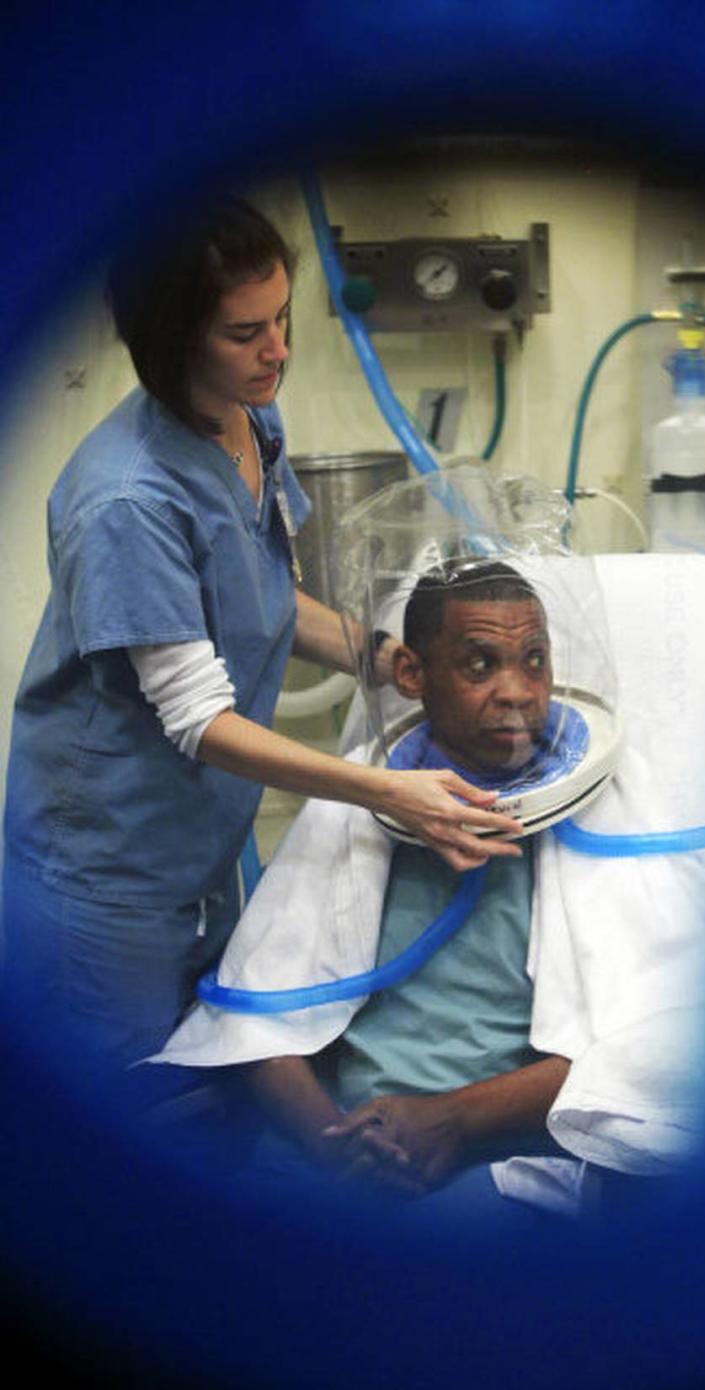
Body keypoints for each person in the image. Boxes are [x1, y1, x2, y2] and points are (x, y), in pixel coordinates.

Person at [1, 197, 520, 1083]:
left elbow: (266, 591)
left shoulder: (248, 423)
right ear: (172, 340)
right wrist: (383, 791)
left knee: (206, 1078)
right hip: (106, 875)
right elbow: (199, 718)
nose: (278, 350)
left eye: (281, 318)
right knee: (126, 1115)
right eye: (246, 333)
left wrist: (381, 653)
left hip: (197, 852)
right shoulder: (127, 501)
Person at [159, 559, 573, 1205]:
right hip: (342, 1143)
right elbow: (255, 1016)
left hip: (494, 1152)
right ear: (412, 674)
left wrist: (455, 1122)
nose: (517, 692)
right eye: (479, 664)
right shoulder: (356, 804)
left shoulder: (589, 821)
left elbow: (635, 1051)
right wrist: (333, 1145)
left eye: (535, 660)